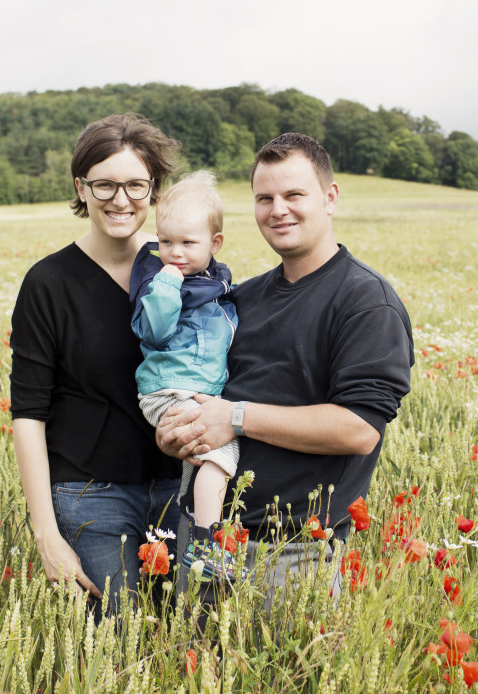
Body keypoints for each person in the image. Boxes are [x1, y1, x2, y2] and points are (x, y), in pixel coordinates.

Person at [156, 132, 413, 595]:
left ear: (329, 197)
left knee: (285, 671)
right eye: (264, 198)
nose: (278, 209)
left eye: (294, 194)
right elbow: (202, 391)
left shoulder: (365, 303)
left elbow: (358, 429)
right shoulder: (239, 299)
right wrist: (181, 428)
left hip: (290, 555)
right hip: (204, 538)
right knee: (190, 668)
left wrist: (234, 417)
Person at [9, 113, 182, 614]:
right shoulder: (49, 284)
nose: (121, 200)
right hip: (90, 497)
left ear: (154, 190)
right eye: (105, 184)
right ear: (81, 188)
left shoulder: (180, 270)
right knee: (118, 646)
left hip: (179, 487)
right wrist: (46, 534)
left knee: (188, 638)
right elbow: (28, 413)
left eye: (135, 184)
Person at [129, 171, 241, 579]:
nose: (174, 252)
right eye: (166, 241)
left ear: (215, 244)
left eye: (188, 243)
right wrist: (167, 286)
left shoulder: (215, 286)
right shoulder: (161, 281)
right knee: (220, 454)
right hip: (169, 391)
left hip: (191, 390)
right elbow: (154, 332)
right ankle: (208, 546)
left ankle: (189, 539)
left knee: (197, 466)